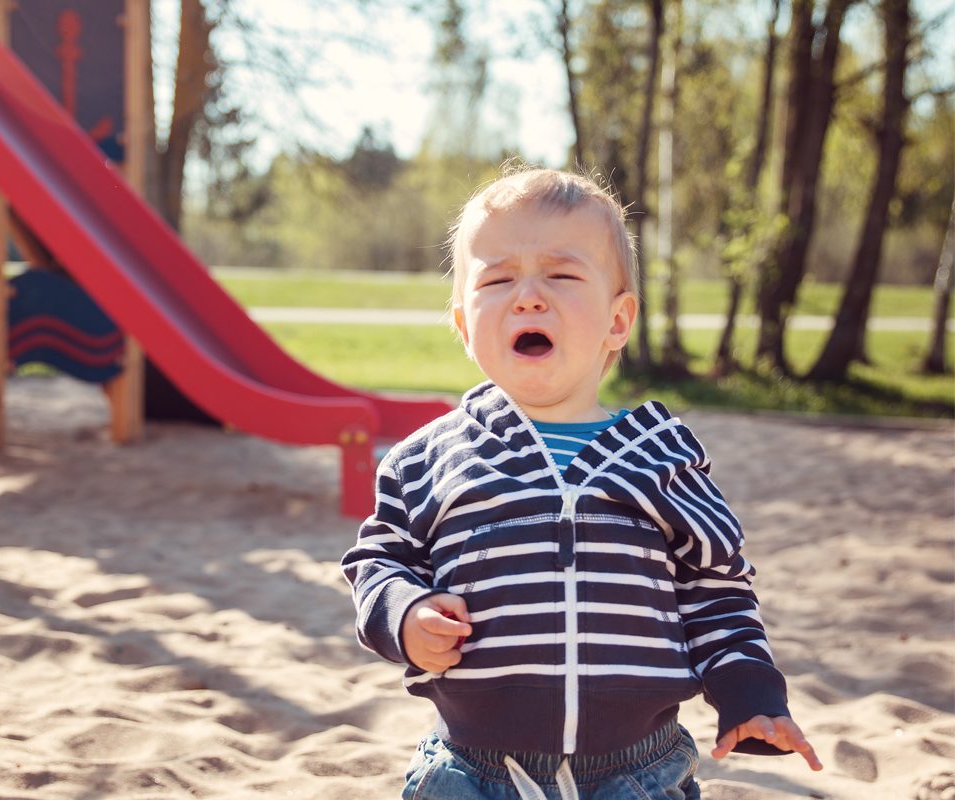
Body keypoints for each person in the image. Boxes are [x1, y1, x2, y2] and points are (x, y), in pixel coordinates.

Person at [340, 167, 822, 799]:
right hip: (471, 768)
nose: (528, 297)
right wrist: (404, 615)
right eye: (498, 277)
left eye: (561, 275)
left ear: (617, 322)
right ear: (463, 323)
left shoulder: (663, 458)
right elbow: (377, 563)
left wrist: (751, 693)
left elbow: (716, 586)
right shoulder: (426, 460)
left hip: (636, 771)